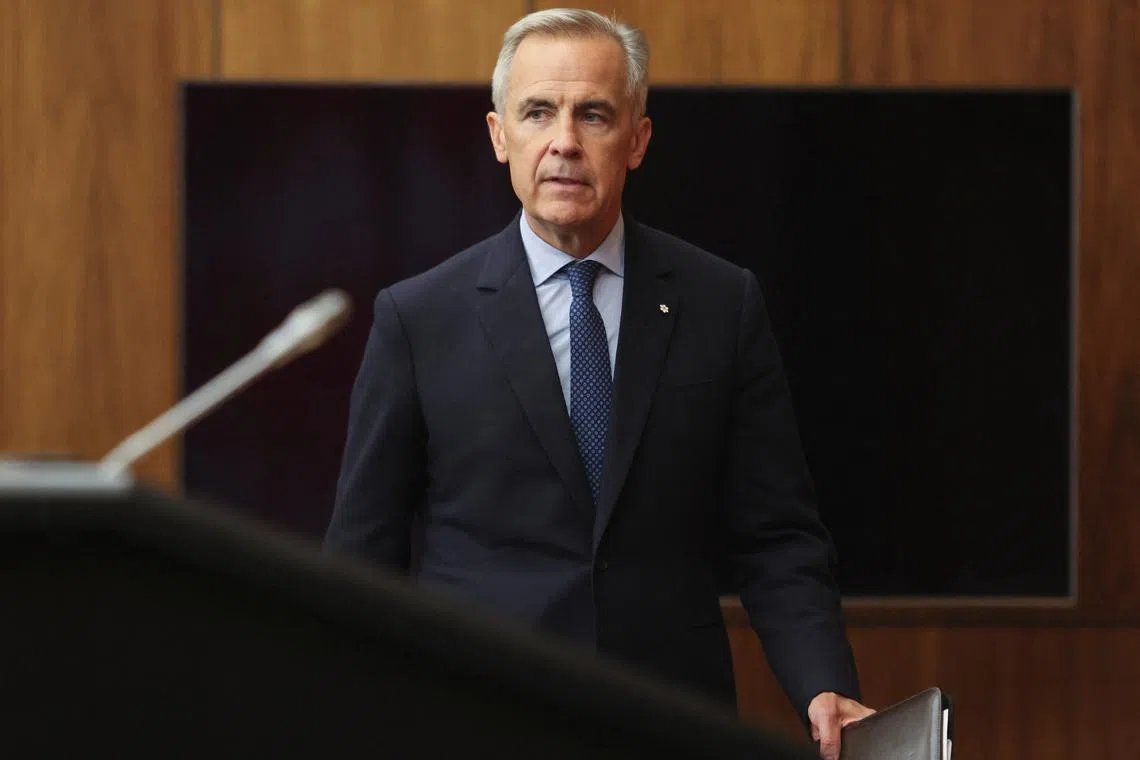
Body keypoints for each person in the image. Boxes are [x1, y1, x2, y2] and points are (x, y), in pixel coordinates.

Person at [324, 8, 873, 759]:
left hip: (667, 718)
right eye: (538, 112)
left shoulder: (721, 304)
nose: (565, 143)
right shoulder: (420, 318)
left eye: (594, 115)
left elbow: (776, 535)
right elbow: (362, 557)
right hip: (478, 716)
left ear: (638, 140)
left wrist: (823, 682)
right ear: (498, 135)